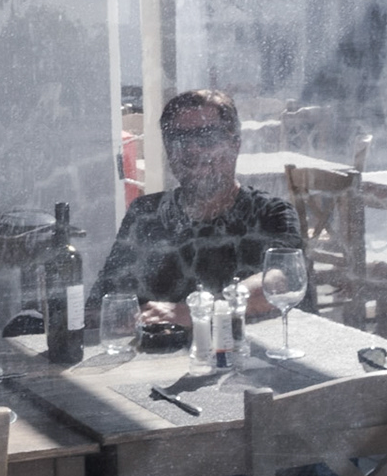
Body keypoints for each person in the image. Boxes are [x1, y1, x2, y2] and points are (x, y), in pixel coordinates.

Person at [90, 89, 302, 326]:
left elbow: (282, 280)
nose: (191, 149)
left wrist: (198, 312)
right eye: (178, 138)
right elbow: (102, 302)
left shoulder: (269, 213)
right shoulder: (147, 213)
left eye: (206, 136)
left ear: (235, 144)